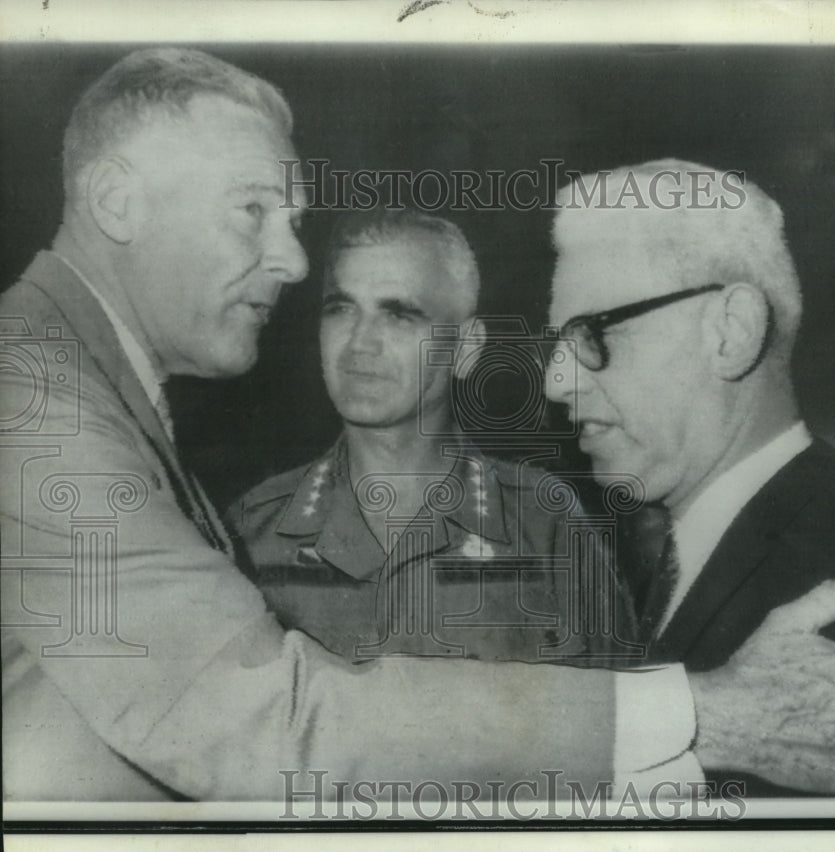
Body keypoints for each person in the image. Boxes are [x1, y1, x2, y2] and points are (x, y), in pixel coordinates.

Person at [0, 48, 835, 803]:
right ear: (115, 199)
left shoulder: (558, 522)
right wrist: (710, 713)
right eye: (252, 211)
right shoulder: (37, 397)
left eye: (594, 334)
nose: (290, 263)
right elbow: (267, 723)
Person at [543, 159, 835, 792]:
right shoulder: (675, 551)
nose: (555, 381)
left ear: (731, 333)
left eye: (591, 333)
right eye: (555, 343)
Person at [228, 211, 637, 665]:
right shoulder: (254, 531)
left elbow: (624, 718)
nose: (360, 343)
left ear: (465, 349)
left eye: (399, 315)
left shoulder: (544, 525)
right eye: (341, 309)